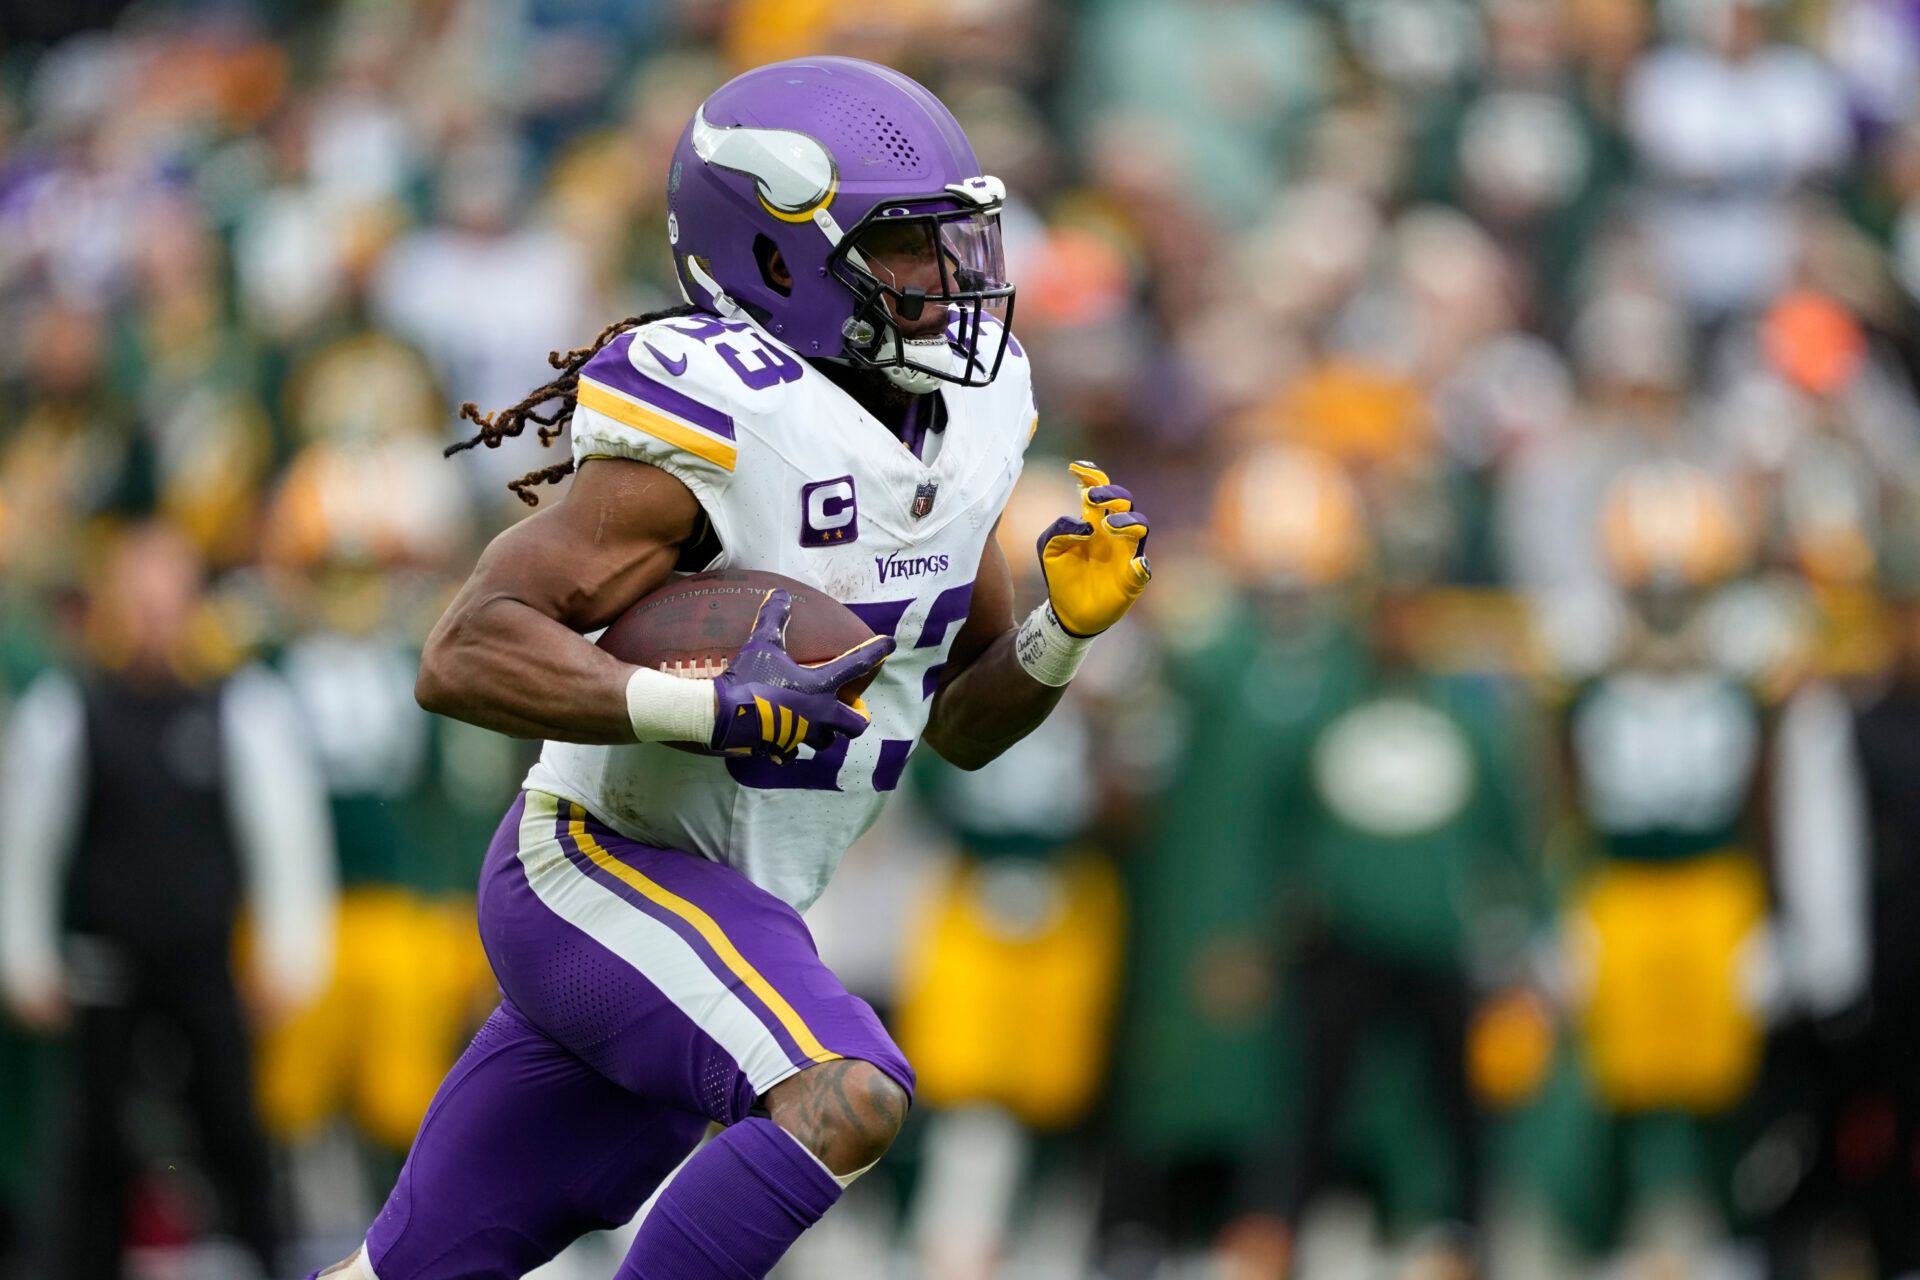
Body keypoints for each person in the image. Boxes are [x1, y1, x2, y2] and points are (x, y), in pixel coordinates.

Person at [319, 55, 1153, 1280]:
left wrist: (1058, 633)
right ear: (776, 259)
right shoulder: (726, 413)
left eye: (956, 242)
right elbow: (463, 649)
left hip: (737, 907)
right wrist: (699, 706)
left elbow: (960, 726)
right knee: (846, 1090)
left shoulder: (968, 426)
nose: (953, 279)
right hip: (601, 870)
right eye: (911, 247)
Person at [0, 522, 337, 1280]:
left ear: (194, 604)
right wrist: (25, 958)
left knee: (238, 1139)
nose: (154, 613)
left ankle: (275, 1265)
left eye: (169, 596)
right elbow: (27, 844)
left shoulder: (241, 707)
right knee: (91, 1149)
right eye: (139, 596)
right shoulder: (69, 709)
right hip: (103, 969)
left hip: (206, 967)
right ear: (116, 603)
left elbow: (286, 841)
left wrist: (291, 956)